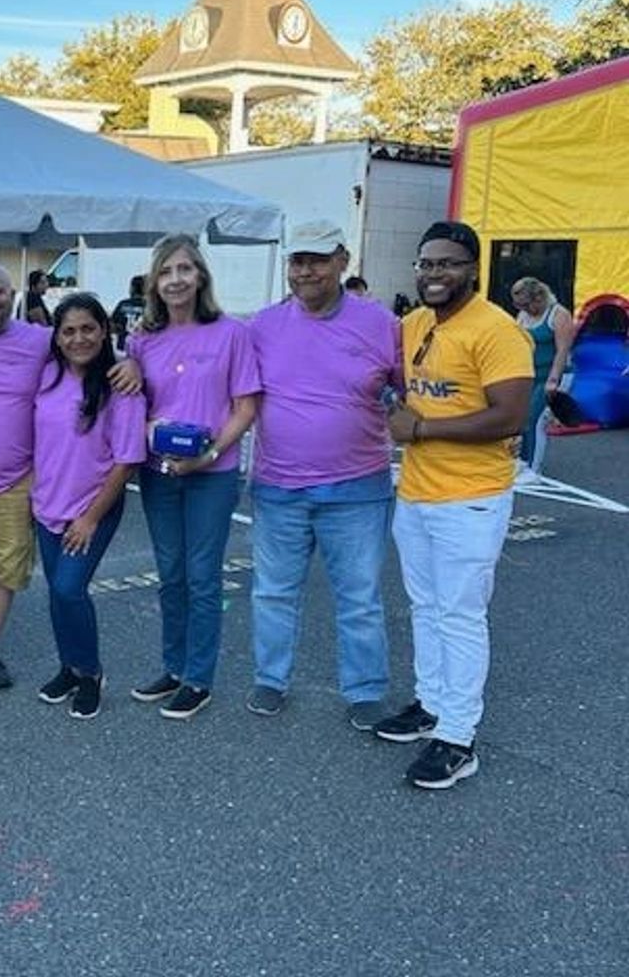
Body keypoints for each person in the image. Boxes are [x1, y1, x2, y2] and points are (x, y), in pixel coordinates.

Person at [0, 262, 139, 705]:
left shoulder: (40, 342)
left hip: (18, 485)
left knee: (10, 575)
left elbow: (92, 349)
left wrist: (131, 361)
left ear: (13, 296)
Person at [376, 221, 532, 790]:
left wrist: (420, 428)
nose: (433, 274)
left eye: (446, 264)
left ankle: (459, 737)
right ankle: (432, 705)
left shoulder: (497, 330)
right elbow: (385, 376)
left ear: (473, 270)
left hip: (471, 499)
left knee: (461, 615)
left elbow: (509, 415)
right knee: (424, 607)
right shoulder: (415, 323)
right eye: (425, 264)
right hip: (416, 493)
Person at [245, 220, 400, 730]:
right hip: (278, 488)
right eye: (297, 260)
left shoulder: (380, 324)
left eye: (316, 259)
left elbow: (407, 393)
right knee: (273, 591)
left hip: (359, 488)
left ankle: (364, 689)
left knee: (359, 598)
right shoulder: (262, 326)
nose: (305, 270)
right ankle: (271, 678)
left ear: (342, 261)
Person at [127, 234, 259, 720]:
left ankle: (198, 679)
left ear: (200, 275)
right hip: (160, 474)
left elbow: (246, 407)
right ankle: (173, 666)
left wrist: (210, 454)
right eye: (166, 272)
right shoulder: (142, 340)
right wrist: (145, 428)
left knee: (203, 579)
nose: (176, 279)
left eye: (184, 269)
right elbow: (131, 403)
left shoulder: (231, 333)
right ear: (154, 282)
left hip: (212, 474)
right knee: (171, 576)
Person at [32, 294, 146, 719]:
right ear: (57, 338)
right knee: (56, 593)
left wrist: (91, 518)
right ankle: (69, 665)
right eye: (69, 331)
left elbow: (128, 460)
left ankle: (91, 673)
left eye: (88, 329)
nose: (79, 338)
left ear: (104, 331)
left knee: (69, 588)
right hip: (47, 505)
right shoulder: (46, 377)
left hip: (92, 507)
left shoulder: (121, 387)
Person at [510, 276, 576, 477]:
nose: (524, 309)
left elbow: (562, 351)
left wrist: (553, 381)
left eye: (526, 304)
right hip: (530, 375)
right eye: (519, 305)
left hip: (553, 375)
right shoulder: (522, 315)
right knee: (522, 419)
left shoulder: (558, 314)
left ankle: (533, 470)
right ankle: (522, 461)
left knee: (536, 420)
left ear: (538, 298)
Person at [110, 275, 146, 352]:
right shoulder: (150, 306)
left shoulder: (123, 304)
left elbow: (113, 325)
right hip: (143, 348)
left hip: (123, 347)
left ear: (132, 288)